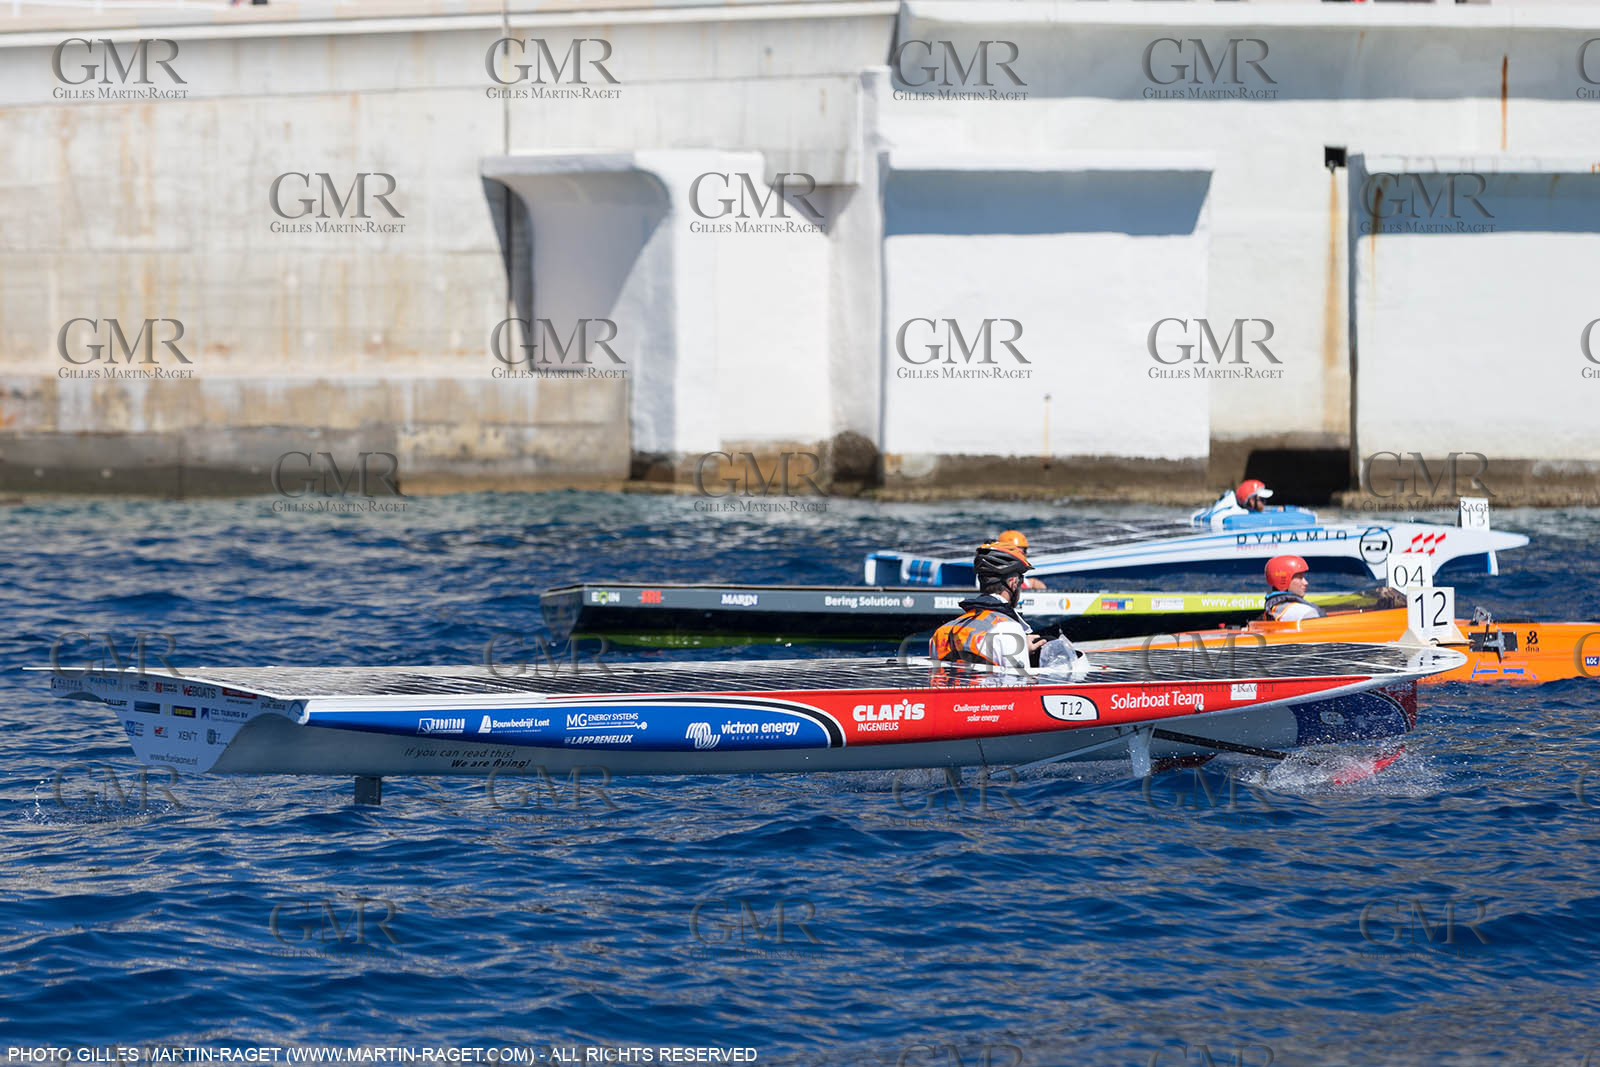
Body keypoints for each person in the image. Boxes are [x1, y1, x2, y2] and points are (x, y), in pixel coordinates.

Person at [929, 541, 1045, 669]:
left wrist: (1023, 647)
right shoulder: (1009, 630)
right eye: (1021, 580)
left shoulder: (942, 632)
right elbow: (1018, 684)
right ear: (1013, 583)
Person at [1262, 554, 1325, 622]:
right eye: (1300, 578)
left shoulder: (1271, 610)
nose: (1306, 582)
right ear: (1284, 581)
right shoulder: (1306, 613)